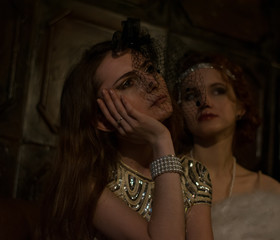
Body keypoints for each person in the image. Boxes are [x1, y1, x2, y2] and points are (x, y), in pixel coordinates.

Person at [38, 19, 213, 240]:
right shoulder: (89, 182)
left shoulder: (193, 174)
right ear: (100, 118)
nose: (151, 82)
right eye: (127, 83)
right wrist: (161, 139)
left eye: (149, 69)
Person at [174, 51, 280, 240]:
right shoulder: (163, 177)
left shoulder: (267, 191)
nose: (205, 102)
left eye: (218, 91)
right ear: (181, 110)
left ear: (240, 106)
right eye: (191, 95)